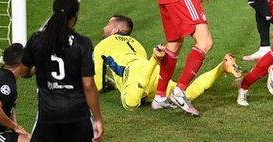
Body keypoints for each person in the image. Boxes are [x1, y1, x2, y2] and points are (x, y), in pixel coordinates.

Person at [21, 0, 103, 142]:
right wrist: (98, 118)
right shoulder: (82, 43)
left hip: (48, 113)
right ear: (74, 17)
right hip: (77, 113)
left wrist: (38, 67)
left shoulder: (37, 40)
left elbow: (24, 71)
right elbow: (89, 85)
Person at [93, 15, 243, 109]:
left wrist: (105, 84)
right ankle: (222, 67)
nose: (104, 27)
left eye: (107, 24)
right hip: (150, 71)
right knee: (183, 95)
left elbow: (98, 85)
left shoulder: (102, 46)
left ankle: (155, 59)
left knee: (130, 103)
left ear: (115, 30)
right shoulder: (136, 43)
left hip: (135, 74)